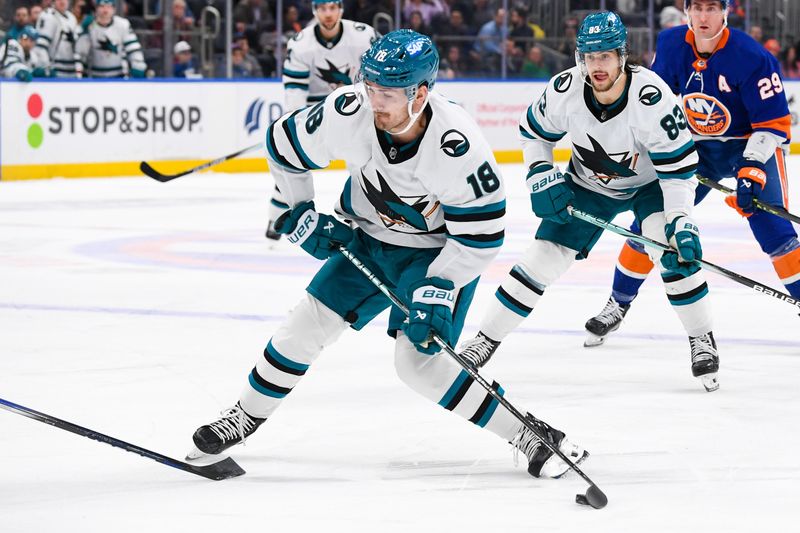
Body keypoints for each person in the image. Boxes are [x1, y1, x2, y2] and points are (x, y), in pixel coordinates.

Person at [187, 30, 588, 479]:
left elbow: (482, 236)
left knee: (417, 364)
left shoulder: (458, 146)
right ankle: (244, 414)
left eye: (388, 93)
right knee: (305, 324)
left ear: (421, 92)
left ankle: (530, 435)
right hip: (367, 238)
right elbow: (282, 147)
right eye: (370, 86)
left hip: (436, 254)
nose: (374, 101)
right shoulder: (349, 111)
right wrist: (298, 210)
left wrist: (439, 287)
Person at [458, 11, 721, 392]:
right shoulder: (565, 89)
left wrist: (680, 219)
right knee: (539, 260)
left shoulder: (652, 97)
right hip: (587, 185)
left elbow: (679, 168)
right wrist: (539, 173)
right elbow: (533, 132)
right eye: (589, 56)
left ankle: (701, 337)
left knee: (672, 255)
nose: (596, 65)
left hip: (649, 186)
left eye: (605, 56)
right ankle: (485, 339)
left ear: (622, 56)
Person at [583, 1, 796, 358]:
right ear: (686, 11)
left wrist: (751, 171)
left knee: (775, 232)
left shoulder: (752, 56)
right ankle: (617, 304)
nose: (703, 17)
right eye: (696, 8)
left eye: (711, 8)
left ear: (725, 11)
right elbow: (653, 102)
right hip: (698, 148)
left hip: (749, 146)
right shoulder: (671, 44)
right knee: (651, 223)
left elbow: (773, 125)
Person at [266, 0, 378, 241]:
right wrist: (295, 123)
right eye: (323, 9)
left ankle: (363, 221)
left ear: (341, 9)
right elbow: (295, 91)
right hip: (317, 113)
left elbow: (377, 78)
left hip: (357, 110)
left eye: (333, 8)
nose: (328, 14)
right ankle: (278, 215)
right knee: (290, 156)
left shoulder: (363, 36)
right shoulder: (301, 44)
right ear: (315, 11)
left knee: (362, 163)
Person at [76, 0, 146, 78]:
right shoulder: (89, 25)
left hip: (117, 77)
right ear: (96, 9)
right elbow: (80, 52)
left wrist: (138, 65)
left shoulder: (122, 24)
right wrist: (84, 33)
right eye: (102, 6)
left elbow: (133, 48)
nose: (105, 10)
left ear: (114, 9)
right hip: (94, 78)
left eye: (109, 7)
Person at [31, 0, 82, 78]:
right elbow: (40, 48)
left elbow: (78, 48)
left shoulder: (72, 17)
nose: (62, 1)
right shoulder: (48, 15)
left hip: (71, 71)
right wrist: (46, 68)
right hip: (55, 70)